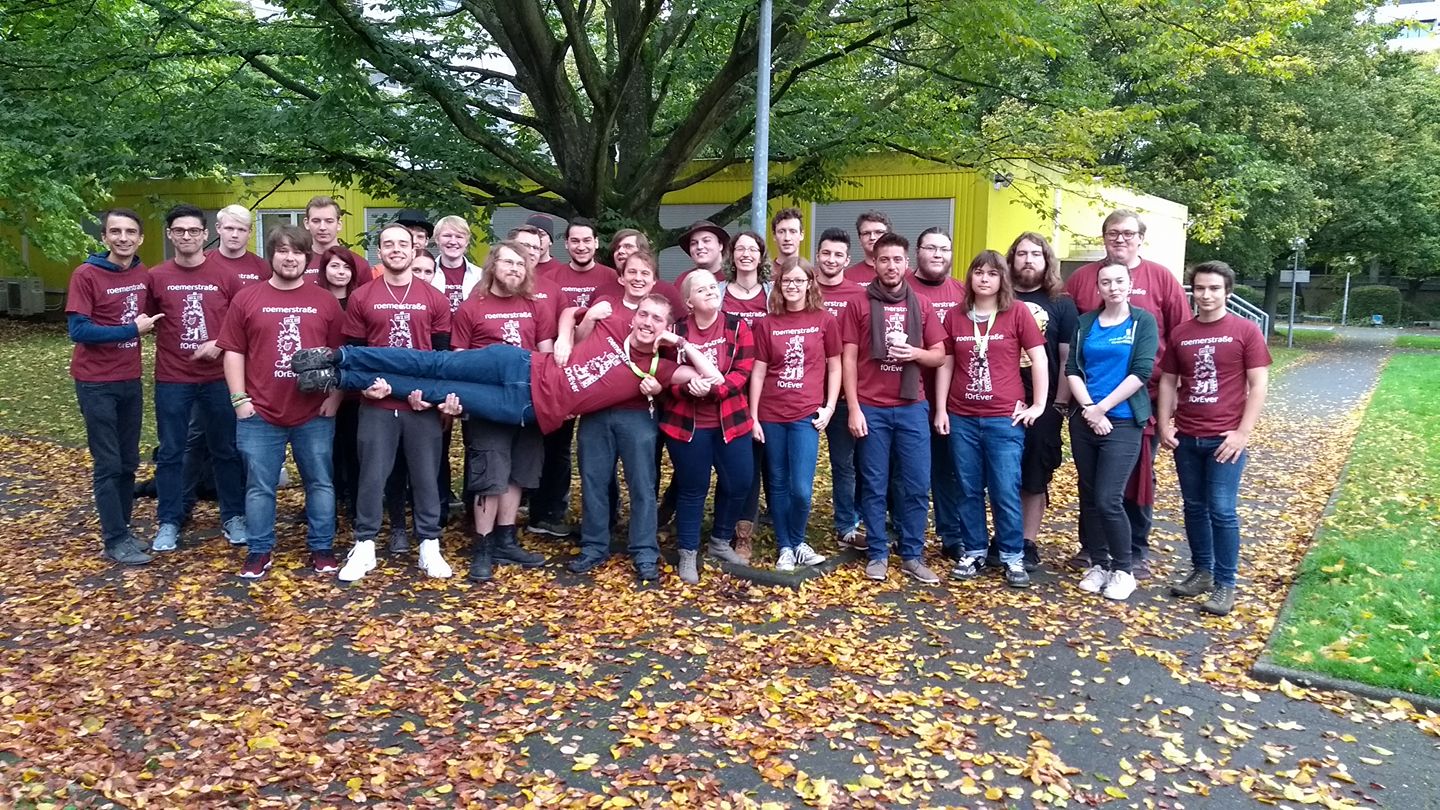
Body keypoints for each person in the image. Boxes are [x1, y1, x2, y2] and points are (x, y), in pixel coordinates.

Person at [297, 296, 726, 580]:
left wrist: (682, 344)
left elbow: (715, 377)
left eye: (658, 320)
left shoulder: (659, 370)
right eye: (645, 315)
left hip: (523, 408)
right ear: (635, 316)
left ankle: (344, 379)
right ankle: (340, 360)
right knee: (433, 364)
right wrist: (562, 335)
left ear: (668, 326)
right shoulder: (611, 321)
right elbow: (567, 314)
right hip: (516, 365)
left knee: (428, 390)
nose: (649, 323)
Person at [1065, 210, 1188, 578]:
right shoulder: (1082, 280)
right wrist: (1086, 405)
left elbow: (1181, 336)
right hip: (1088, 404)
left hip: (1142, 400)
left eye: (1128, 233)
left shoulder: (1161, 278)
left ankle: (1134, 551)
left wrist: (1178, 392)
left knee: (1135, 479)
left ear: (1140, 238)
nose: (1120, 239)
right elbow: (1070, 342)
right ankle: (1093, 551)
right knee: (1092, 483)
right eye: (1112, 233)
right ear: (1103, 237)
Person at [218, 224, 344, 579]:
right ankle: (259, 550)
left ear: (307, 258)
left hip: (314, 412)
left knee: (320, 482)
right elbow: (233, 352)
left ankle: (322, 548)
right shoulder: (247, 298)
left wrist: (335, 398)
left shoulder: (325, 301)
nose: (290, 258)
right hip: (260, 411)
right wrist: (239, 399)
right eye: (283, 251)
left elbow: (340, 356)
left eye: (298, 252)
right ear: (272, 255)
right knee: (259, 485)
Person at [336, 225, 454, 584]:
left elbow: (442, 357)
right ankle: (365, 544)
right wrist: (365, 390)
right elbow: (354, 355)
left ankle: (429, 544)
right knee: (372, 475)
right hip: (377, 402)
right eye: (389, 244)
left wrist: (433, 399)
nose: (396, 249)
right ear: (380, 251)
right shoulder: (362, 296)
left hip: (420, 404)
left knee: (426, 476)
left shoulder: (434, 298)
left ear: (414, 249)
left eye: (403, 244)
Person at [1158, 261, 1271, 616]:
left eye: (1214, 289)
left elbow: (1259, 384)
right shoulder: (1181, 333)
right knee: (1193, 507)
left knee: (1221, 510)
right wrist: (1164, 423)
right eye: (1200, 289)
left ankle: (1226, 583)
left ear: (1228, 292)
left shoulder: (1245, 330)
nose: (1206, 295)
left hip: (1225, 440)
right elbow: (1167, 381)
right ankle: (1202, 572)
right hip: (1187, 437)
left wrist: (1242, 433)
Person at [933, 251, 1047, 588]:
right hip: (963, 416)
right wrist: (941, 408)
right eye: (978, 272)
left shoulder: (1017, 313)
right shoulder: (955, 316)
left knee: (1004, 488)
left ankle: (1012, 555)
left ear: (1002, 279)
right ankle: (974, 550)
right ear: (969, 277)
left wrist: (1038, 404)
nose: (984, 279)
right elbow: (947, 364)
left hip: (1003, 418)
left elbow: (1039, 359)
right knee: (968, 488)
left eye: (992, 273)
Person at [841, 232, 946, 584]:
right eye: (884, 259)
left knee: (916, 483)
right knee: (874, 483)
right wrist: (853, 408)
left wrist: (914, 354)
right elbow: (849, 359)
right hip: (871, 407)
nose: (890, 266)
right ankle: (878, 553)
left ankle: (913, 554)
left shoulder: (922, 304)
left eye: (897, 259)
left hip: (912, 406)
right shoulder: (858, 303)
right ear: (875, 261)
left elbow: (939, 354)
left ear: (907, 262)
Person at [146, 204, 247, 552]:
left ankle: (233, 516)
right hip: (173, 378)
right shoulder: (156, 277)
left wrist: (220, 343)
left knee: (226, 449)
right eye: (179, 231)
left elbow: (243, 322)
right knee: (172, 451)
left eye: (193, 231)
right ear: (170, 234)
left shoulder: (225, 276)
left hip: (219, 379)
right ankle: (169, 520)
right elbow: (145, 319)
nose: (187, 236)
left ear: (206, 235)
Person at [450, 241, 553, 582]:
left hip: (527, 402)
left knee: (518, 473)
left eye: (520, 265)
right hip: (487, 404)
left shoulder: (533, 306)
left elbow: (545, 356)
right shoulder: (471, 308)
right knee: (489, 474)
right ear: (492, 266)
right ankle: (483, 546)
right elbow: (458, 361)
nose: (514, 269)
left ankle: (506, 540)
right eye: (508, 262)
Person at [67, 208, 162, 565]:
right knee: (108, 463)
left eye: (130, 232)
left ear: (140, 238)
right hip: (95, 383)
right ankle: (114, 538)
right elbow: (78, 330)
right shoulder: (86, 274)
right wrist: (130, 331)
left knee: (128, 461)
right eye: (115, 231)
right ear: (104, 237)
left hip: (129, 379)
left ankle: (123, 527)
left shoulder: (141, 273)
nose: (123, 238)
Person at [1066, 263, 1159, 602]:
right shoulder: (1086, 323)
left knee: (1109, 497)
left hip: (1122, 420)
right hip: (1085, 418)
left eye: (1119, 281)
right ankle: (1099, 564)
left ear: (1130, 284)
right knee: (1090, 497)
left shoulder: (1142, 322)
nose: (1113, 287)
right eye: (1106, 282)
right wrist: (1090, 409)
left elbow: (1142, 371)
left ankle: (1123, 569)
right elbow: (1073, 368)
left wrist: (1102, 408)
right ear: (1098, 287)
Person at [660, 268, 756, 583]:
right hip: (687, 425)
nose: (710, 291)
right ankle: (688, 552)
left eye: (713, 287)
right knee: (692, 488)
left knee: (739, 482)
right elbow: (663, 376)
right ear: (688, 301)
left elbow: (742, 373)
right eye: (701, 289)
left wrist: (712, 389)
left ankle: (719, 541)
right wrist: (686, 388)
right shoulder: (675, 332)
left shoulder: (737, 326)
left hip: (731, 420)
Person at [749, 259, 840, 572]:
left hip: (806, 415)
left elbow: (835, 365)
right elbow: (758, 372)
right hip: (772, 414)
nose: (792, 286)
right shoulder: (766, 323)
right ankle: (785, 546)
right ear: (779, 284)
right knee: (776, 482)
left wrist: (829, 406)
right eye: (787, 280)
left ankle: (798, 540)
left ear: (809, 284)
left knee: (801, 488)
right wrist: (754, 416)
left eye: (799, 281)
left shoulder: (825, 320)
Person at [1008, 232, 1078, 571]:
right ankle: (1003, 537)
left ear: (1047, 260)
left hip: (1045, 403)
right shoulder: (999, 299)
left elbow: (1066, 358)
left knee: (1035, 473)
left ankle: (1028, 540)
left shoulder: (1062, 303)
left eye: (1035, 254)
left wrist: (1059, 404)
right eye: (1021, 254)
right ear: (1012, 259)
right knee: (1000, 472)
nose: (1028, 260)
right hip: (1001, 400)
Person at [909, 227, 966, 560]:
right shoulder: (901, 286)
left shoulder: (961, 291)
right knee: (904, 471)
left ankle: (951, 534)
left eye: (944, 249)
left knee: (947, 469)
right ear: (918, 251)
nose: (937, 255)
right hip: (906, 394)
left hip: (953, 396)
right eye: (930, 248)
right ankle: (901, 529)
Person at [812, 230, 867, 550]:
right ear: (817, 255)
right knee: (793, 464)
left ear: (848, 260)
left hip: (845, 394)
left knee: (846, 463)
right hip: (803, 391)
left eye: (838, 255)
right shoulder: (804, 289)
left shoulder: (859, 295)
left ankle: (848, 524)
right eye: (826, 253)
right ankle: (787, 522)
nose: (831, 260)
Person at [318, 247, 362, 521]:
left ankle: (356, 505)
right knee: (326, 451)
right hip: (321, 389)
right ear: (324, 270)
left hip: (355, 391)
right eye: (334, 266)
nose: (341, 272)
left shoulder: (358, 302)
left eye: (346, 268)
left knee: (355, 450)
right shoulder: (316, 300)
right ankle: (328, 504)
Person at [302, 196, 372, 281]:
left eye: (329, 221)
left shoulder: (358, 264)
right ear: (306, 223)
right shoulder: (297, 263)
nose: (322, 227)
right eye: (316, 221)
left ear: (339, 224)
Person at [208, 205, 270, 287]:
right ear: (218, 228)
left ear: (250, 232)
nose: (235, 235)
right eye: (229, 228)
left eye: (241, 230)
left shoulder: (263, 267)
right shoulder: (201, 262)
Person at [433, 215, 483, 310]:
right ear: (437, 239)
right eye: (447, 235)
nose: (453, 241)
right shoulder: (427, 273)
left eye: (459, 236)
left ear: (467, 241)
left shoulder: (480, 276)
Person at [674, 220, 730, 290]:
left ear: (720, 245)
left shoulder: (737, 278)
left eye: (706, 241)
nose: (699, 246)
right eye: (694, 243)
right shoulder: (683, 281)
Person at [846, 210, 891, 287]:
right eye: (866, 233)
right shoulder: (847, 276)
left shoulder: (905, 274)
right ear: (860, 239)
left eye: (878, 232)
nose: (872, 237)